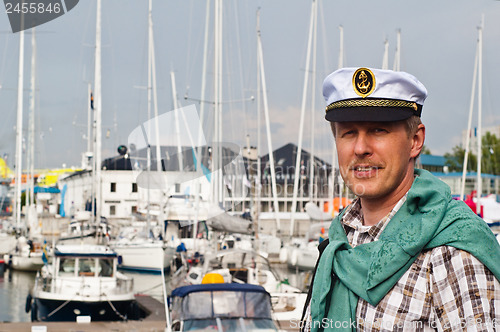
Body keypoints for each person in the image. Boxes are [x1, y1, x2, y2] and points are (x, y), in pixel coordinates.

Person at [300, 67, 500, 332]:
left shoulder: (452, 254)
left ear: (415, 141)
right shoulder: (338, 243)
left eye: (378, 130)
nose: (360, 148)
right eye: (348, 132)